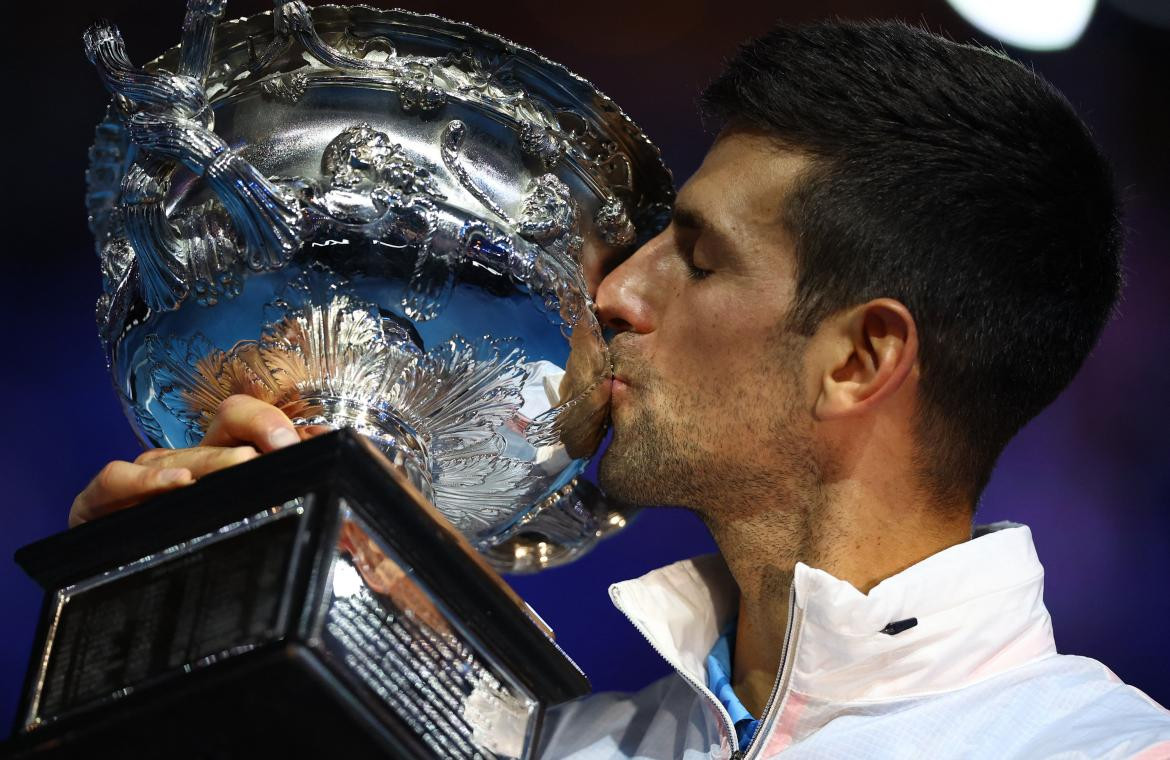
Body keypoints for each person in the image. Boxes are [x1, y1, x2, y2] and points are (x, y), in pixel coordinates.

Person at [72, 20, 1170, 759]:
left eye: (694, 256)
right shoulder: (543, 740)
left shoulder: (1101, 749)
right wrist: (163, 643)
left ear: (858, 361)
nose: (615, 293)